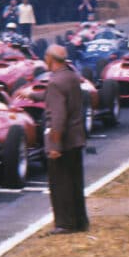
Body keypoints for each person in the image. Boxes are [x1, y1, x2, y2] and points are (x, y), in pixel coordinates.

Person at [42, 45, 88, 233]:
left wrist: (54, 144)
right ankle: (79, 221)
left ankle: (64, 223)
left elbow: (58, 117)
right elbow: (62, 98)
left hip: (63, 141)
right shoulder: (71, 76)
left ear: (50, 59)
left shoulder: (55, 82)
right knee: (75, 182)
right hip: (76, 138)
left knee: (60, 184)